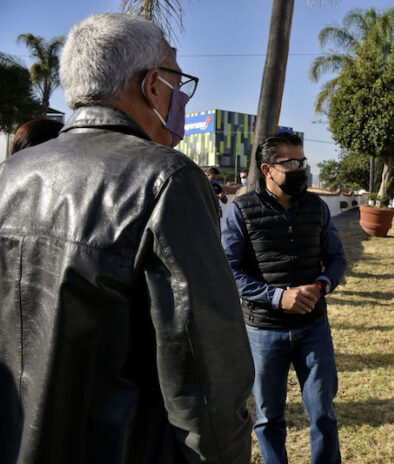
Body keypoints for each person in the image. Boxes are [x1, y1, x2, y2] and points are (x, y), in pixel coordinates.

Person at [0, 13, 254, 463]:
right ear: (152, 84)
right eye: (179, 79)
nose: (182, 96)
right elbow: (202, 367)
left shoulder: (9, 175)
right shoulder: (166, 178)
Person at [221, 132, 347, 464]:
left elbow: (337, 259)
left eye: (302, 162)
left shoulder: (317, 207)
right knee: (268, 417)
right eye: (290, 162)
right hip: (264, 332)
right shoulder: (241, 211)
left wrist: (319, 287)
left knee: (323, 413)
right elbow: (229, 272)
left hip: (314, 328)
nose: (300, 168)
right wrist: (278, 297)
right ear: (267, 169)